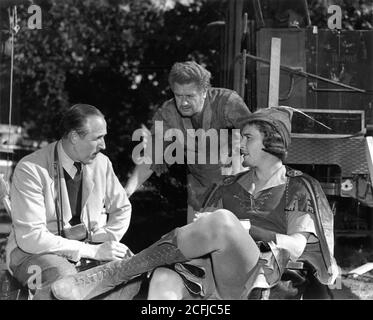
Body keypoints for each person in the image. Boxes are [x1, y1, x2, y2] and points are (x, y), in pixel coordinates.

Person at [50, 106, 338, 300]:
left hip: (264, 276)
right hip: (214, 275)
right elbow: (198, 236)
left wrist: (246, 228)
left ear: (272, 142)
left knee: (224, 221)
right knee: (164, 277)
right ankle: (117, 273)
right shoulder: (228, 186)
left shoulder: (298, 186)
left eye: (247, 138)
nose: (239, 145)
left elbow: (299, 246)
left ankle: (114, 273)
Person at [5, 104, 135, 299]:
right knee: (63, 280)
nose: (104, 145)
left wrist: (107, 240)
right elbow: (32, 238)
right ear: (74, 137)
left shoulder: (102, 163)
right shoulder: (30, 169)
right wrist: (92, 251)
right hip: (31, 253)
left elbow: (122, 208)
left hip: (88, 248)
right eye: (98, 137)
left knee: (130, 272)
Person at [125, 61, 251, 222]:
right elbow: (151, 157)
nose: (183, 103)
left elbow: (255, 138)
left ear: (204, 91)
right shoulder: (168, 114)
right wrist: (127, 191)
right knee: (198, 244)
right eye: (178, 95)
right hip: (200, 197)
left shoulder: (227, 103)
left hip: (237, 193)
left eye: (190, 96)